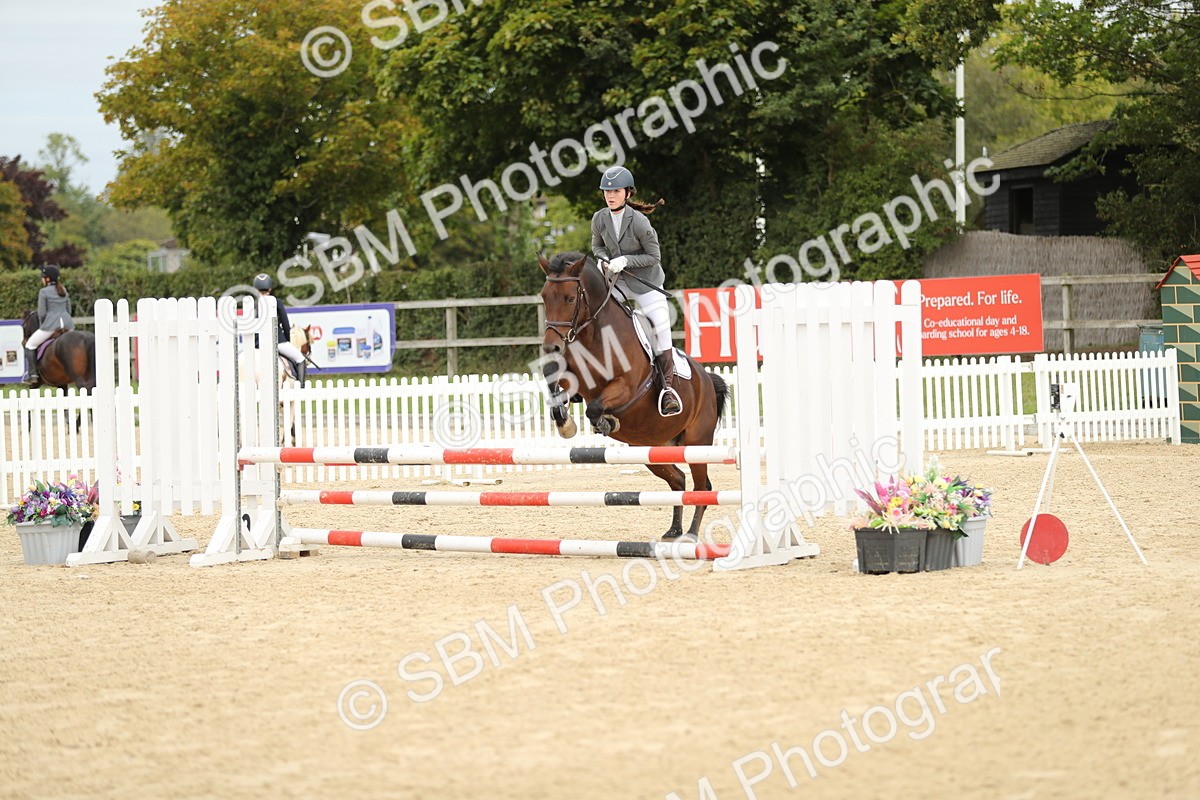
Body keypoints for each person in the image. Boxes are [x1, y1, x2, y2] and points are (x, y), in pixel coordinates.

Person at [590, 166, 681, 416]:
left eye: (616, 191)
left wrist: (626, 260)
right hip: (618, 282)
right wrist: (601, 259)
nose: (610, 195)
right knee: (598, 316)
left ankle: (668, 390)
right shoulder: (599, 218)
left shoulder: (640, 222)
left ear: (628, 194)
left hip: (646, 284)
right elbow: (596, 246)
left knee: (661, 327)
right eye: (606, 191)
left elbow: (654, 257)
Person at [23, 264, 75, 386]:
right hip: (68, 324)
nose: (42, 279)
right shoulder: (63, 290)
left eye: (43, 277)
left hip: (51, 325)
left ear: (47, 279)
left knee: (30, 344)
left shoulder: (43, 292)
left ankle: (33, 374)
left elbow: (42, 313)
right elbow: (69, 309)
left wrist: (44, 324)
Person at [253, 273, 306, 386]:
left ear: (256, 289)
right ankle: (300, 388)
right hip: (277, 341)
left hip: (258, 344)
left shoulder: (254, 304)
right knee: (301, 359)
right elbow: (285, 324)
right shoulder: (277, 302)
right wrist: (286, 339)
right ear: (270, 288)